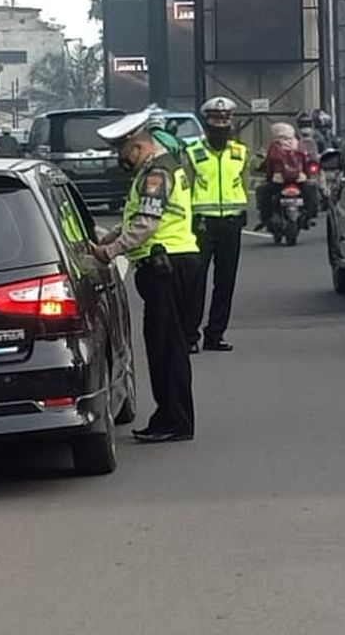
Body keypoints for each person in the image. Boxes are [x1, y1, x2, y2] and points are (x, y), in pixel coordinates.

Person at [91, 110, 200, 444]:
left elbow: (146, 225)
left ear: (136, 146)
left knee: (167, 347)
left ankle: (175, 420)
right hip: (172, 263)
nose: (119, 158)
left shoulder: (155, 174)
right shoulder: (161, 169)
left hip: (166, 265)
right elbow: (137, 220)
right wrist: (106, 240)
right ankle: (169, 415)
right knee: (166, 345)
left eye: (120, 151)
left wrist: (110, 252)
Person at [187, 97, 248, 353]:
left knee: (225, 282)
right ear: (207, 127)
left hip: (232, 223)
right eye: (216, 126)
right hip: (201, 224)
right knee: (196, 281)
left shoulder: (239, 152)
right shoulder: (193, 153)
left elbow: (243, 183)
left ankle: (215, 334)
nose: (221, 131)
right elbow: (185, 188)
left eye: (225, 126)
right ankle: (191, 336)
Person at [255, 122, 319, 229]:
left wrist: (268, 177)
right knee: (311, 190)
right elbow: (304, 163)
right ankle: (309, 216)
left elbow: (270, 164)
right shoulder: (298, 145)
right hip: (299, 179)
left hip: (279, 181)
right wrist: (306, 176)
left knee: (263, 192)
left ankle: (265, 218)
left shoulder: (275, 146)